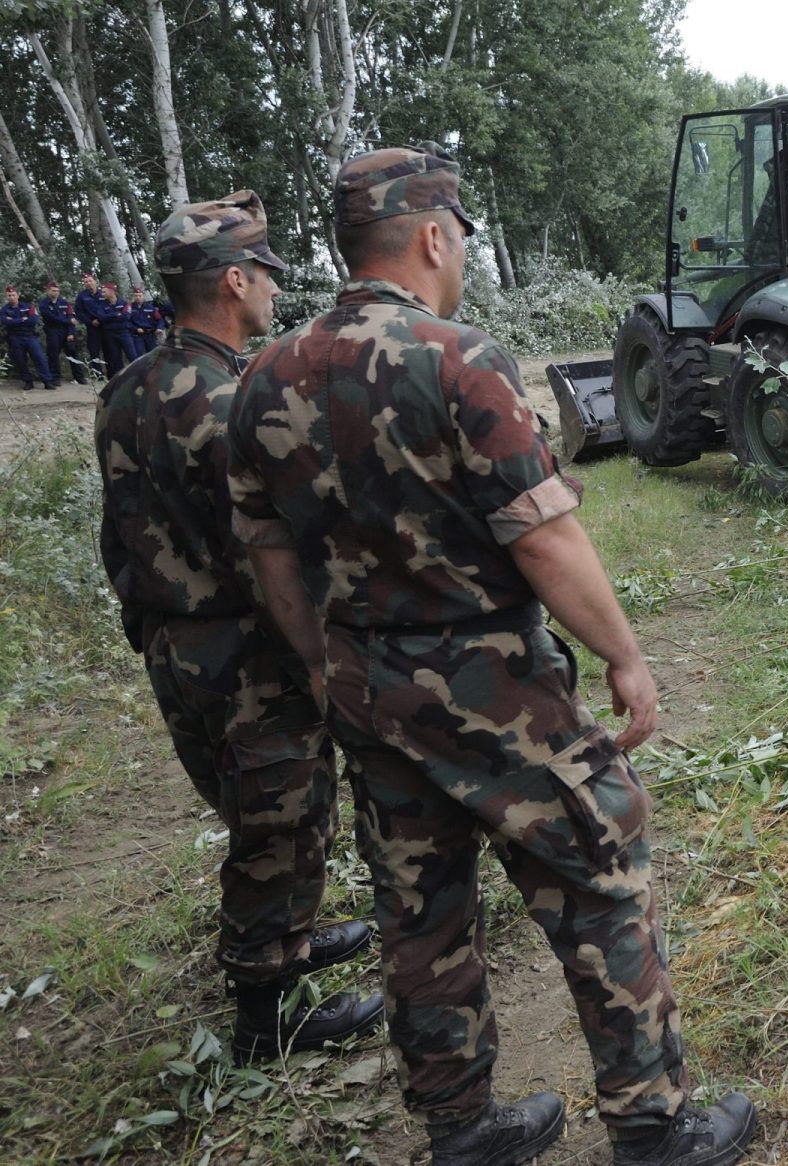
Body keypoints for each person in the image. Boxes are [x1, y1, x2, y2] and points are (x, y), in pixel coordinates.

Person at [227, 143, 757, 1166]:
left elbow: (269, 560)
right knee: (600, 872)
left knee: (419, 912)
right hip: (493, 687)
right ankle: (653, 1125)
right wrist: (626, 657)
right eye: (459, 235)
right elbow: (544, 536)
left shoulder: (263, 378)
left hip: (364, 687)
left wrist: (324, 665)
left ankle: (463, 1134)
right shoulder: (457, 360)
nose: (461, 252)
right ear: (433, 235)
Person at [94, 191, 386, 1061]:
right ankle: (269, 1011)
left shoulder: (126, 388)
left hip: (171, 641)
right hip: (243, 645)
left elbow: (121, 530)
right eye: (263, 273)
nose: (270, 290)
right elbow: (278, 543)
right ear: (232, 280)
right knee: (279, 815)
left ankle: (289, 941)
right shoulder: (234, 397)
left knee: (256, 801)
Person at [3, 284, 56, 389]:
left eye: (13, 295)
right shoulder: (4, 310)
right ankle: (28, 382)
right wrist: (22, 320)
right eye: (9, 295)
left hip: (30, 336)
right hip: (15, 338)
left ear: (18, 295)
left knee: (39, 357)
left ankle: (47, 381)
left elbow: (33, 320)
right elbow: (6, 322)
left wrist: (14, 321)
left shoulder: (28, 306)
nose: (11, 297)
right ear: (6, 297)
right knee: (20, 360)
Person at [38, 279, 84, 385]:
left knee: (72, 353)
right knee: (53, 354)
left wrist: (71, 332)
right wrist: (68, 320)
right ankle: (55, 378)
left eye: (57, 291)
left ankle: (79, 377)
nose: (56, 293)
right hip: (52, 331)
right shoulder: (44, 304)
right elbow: (51, 318)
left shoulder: (64, 303)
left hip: (66, 331)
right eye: (53, 291)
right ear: (48, 291)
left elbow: (71, 317)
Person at [97, 278, 140, 378]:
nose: (102, 294)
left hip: (124, 332)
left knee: (132, 355)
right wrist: (117, 314)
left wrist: (111, 316)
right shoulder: (102, 305)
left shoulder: (124, 303)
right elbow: (101, 317)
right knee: (115, 358)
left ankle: (138, 375)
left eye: (104, 292)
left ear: (111, 292)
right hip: (110, 334)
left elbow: (126, 316)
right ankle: (120, 378)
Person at [74, 271, 107, 379]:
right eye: (86, 282)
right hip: (92, 327)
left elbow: (110, 306)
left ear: (95, 281)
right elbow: (79, 312)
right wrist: (90, 321)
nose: (88, 283)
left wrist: (102, 319)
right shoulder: (82, 296)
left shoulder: (104, 292)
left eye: (90, 281)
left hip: (107, 326)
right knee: (94, 352)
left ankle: (112, 374)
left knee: (110, 350)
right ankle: (98, 375)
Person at [129, 285, 166, 354]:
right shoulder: (130, 308)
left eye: (140, 296)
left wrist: (159, 328)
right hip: (137, 335)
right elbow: (128, 321)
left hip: (150, 335)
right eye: (136, 296)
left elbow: (160, 319)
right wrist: (135, 329)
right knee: (139, 355)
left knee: (153, 354)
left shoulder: (150, 307)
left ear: (143, 296)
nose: (138, 298)